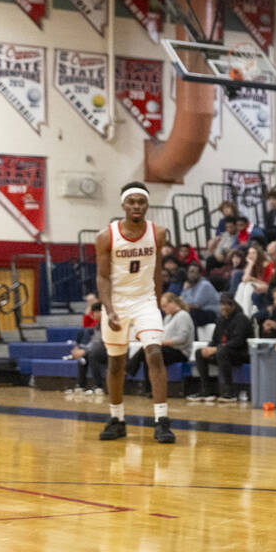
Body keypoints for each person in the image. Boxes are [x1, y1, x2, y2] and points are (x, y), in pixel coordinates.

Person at [94, 182, 175, 444]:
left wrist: (157, 301)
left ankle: (162, 421)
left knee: (154, 352)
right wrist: (108, 309)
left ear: (147, 204)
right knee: (116, 363)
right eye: (132, 202)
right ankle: (117, 419)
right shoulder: (106, 236)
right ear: (123, 205)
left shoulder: (159, 233)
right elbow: (103, 277)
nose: (137, 206)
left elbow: (157, 270)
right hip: (116, 303)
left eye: (141, 201)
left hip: (145, 301)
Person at [192, 293, 252, 402]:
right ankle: (206, 391)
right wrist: (209, 348)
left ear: (233, 305)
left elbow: (238, 342)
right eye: (222, 304)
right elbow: (215, 340)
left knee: (221, 352)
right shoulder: (220, 320)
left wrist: (215, 349)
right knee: (199, 353)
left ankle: (229, 392)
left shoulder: (242, 319)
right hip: (223, 352)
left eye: (227, 304)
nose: (224, 307)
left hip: (241, 354)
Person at [126, 292, 193, 388]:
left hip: (180, 352)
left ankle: (127, 370)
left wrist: (161, 342)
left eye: (165, 306)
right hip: (167, 349)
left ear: (173, 303)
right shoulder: (168, 317)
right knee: (149, 354)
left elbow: (182, 339)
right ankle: (149, 389)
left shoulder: (183, 315)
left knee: (148, 350)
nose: (163, 309)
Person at [65, 302, 107, 396]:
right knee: (83, 358)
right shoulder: (97, 325)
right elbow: (94, 342)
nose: (93, 314)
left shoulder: (107, 324)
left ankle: (98, 386)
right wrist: (81, 350)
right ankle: (80, 385)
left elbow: (101, 342)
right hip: (99, 349)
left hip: (109, 351)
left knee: (92, 354)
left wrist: (84, 351)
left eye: (95, 312)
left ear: (101, 312)